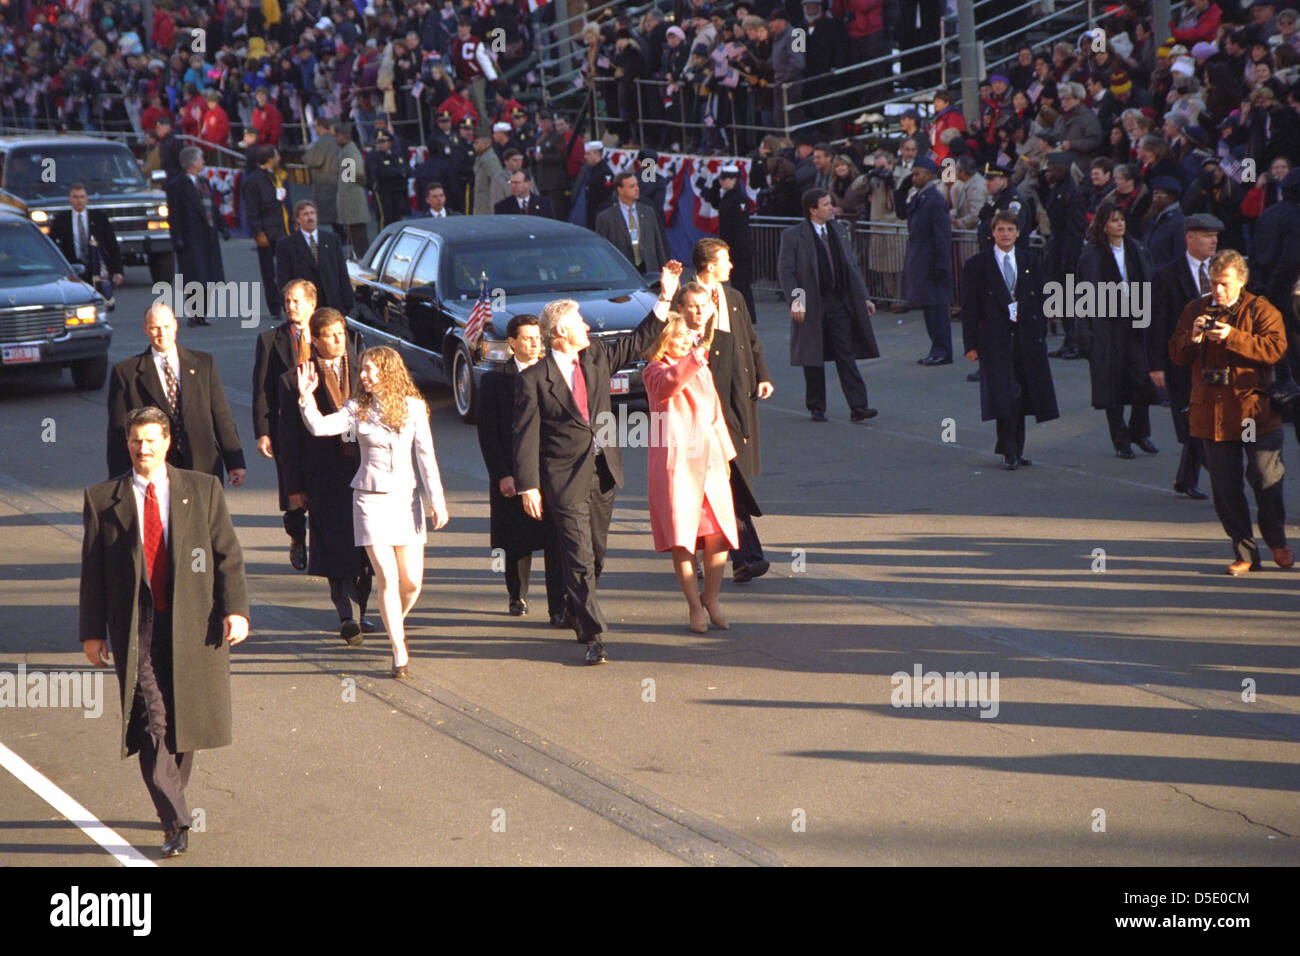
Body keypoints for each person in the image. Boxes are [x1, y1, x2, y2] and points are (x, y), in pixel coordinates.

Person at [81, 406, 249, 858]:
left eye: (152, 439)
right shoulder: (103, 500)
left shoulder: (202, 489)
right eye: (136, 440)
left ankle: (171, 803)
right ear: (128, 444)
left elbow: (226, 555)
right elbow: (92, 573)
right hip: (138, 627)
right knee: (152, 723)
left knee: (184, 722)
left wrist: (236, 610)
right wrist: (92, 633)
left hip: (193, 624)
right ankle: (175, 820)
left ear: (167, 441)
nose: (143, 448)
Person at [513, 265, 680, 665]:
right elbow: (525, 435)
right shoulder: (534, 378)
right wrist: (528, 485)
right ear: (560, 334)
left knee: (597, 553)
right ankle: (594, 635)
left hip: (603, 472)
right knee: (578, 557)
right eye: (579, 323)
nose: (587, 327)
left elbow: (640, 340)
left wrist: (665, 296)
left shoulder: (597, 357)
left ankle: (576, 607)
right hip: (562, 480)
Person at [296, 347, 449, 677]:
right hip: (368, 500)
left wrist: (437, 499)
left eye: (369, 369)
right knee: (387, 577)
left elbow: (426, 456)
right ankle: (399, 647)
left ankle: (394, 617)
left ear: (388, 371)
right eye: (362, 369)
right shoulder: (356, 408)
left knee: (411, 583)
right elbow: (321, 427)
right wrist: (306, 399)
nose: (363, 375)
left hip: (406, 500)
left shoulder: (414, 408)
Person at [1169, 249, 1291, 575]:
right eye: (1213, 283)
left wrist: (1233, 337)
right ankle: (1244, 551)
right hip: (1212, 415)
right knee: (1224, 486)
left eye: (1224, 283)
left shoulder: (1261, 309)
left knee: (1264, 477)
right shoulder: (1195, 308)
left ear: (1241, 281)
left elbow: (1275, 349)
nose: (1218, 291)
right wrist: (1193, 336)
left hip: (1252, 414)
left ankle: (1276, 537)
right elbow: (1177, 355)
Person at [277, 308, 375, 644]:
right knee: (334, 547)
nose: (338, 340)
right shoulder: (296, 379)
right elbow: (288, 440)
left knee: (366, 547)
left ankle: (363, 611)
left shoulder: (366, 373)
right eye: (330, 335)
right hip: (323, 476)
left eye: (342, 333)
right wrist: (294, 487)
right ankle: (345, 614)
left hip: (365, 471)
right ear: (315, 341)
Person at [643, 312, 738, 634]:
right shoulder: (654, 371)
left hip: (710, 460)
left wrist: (727, 455)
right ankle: (694, 606)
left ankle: (711, 597)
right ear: (662, 341)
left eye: (688, 336)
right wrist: (696, 357)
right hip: (677, 464)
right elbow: (669, 385)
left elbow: (715, 414)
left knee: (718, 534)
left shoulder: (700, 367)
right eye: (678, 336)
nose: (685, 341)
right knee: (683, 539)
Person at [686, 240, 774, 583]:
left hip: (740, 394)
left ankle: (733, 553)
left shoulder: (733, 298)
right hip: (707, 398)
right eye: (725, 260)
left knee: (732, 472)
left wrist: (763, 375)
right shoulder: (690, 300)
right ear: (709, 266)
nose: (731, 266)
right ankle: (745, 555)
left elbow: (751, 340)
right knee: (726, 475)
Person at [476, 314, 565, 623]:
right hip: (511, 474)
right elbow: (488, 434)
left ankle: (559, 606)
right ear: (512, 343)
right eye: (526, 337)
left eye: (537, 336)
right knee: (515, 540)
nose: (534, 342)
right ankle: (517, 594)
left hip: (549, 472)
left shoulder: (554, 374)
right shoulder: (494, 381)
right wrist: (503, 474)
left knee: (555, 539)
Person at [961, 210, 1061, 469]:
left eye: (1010, 229)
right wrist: (970, 344)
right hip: (995, 337)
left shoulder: (1030, 260)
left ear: (1018, 233)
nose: (1005, 234)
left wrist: (1042, 328)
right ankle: (1009, 450)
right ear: (992, 232)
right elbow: (970, 308)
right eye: (1001, 229)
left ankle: (1017, 448)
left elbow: (1041, 297)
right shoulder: (978, 265)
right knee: (1006, 393)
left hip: (1026, 336)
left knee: (1023, 393)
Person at [107, 303, 246, 486]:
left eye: (166, 327)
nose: (161, 333)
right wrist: (119, 480)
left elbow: (221, 416)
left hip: (202, 465)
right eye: (155, 328)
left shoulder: (203, 364)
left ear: (175, 325)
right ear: (145, 329)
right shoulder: (127, 373)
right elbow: (118, 432)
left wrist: (235, 462)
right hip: (155, 468)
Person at [1076, 200, 1159, 459]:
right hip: (1106, 325)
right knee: (1110, 383)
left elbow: (1151, 283)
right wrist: (1084, 334)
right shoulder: (1092, 255)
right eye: (1113, 220)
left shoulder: (1137, 248)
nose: (1119, 223)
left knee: (1143, 380)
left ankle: (1139, 431)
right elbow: (1082, 295)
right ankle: (1120, 438)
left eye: (1121, 218)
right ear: (1103, 224)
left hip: (1134, 323)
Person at [1149, 213, 1222, 500]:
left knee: (1203, 418)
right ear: (1189, 238)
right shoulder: (1166, 275)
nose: (1213, 240)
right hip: (1181, 361)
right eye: (1206, 235)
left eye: (1216, 235)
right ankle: (1221, 475)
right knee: (1193, 420)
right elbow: (1154, 324)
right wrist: (1156, 365)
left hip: (1216, 359)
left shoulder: (1222, 272)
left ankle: (1186, 478)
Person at [253, 279, 318, 571]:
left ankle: (322, 542)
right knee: (291, 487)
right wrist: (263, 431)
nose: (290, 307)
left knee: (321, 484)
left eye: (296, 301)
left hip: (322, 423)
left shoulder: (327, 334)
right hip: (287, 427)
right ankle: (296, 537)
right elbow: (262, 388)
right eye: (288, 302)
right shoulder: (270, 340)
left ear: (311, 305)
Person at [899, 158, 955, 365]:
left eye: (918, 174)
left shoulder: (935, 199)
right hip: (922, 260)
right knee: (930, 310)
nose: (914, 178)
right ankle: (936, 348)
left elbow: (942, 236)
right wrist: (900, 191)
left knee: (937, 309)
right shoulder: (922, 196)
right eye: (913, 174)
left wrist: (941, 264)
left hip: (931, 260)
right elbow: (902, 213)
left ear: (929, 175)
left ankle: (942, 350)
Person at [165, 146, 227, 327]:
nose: (203, 162)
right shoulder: (177, 185)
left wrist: (222, 226)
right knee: (194, 277)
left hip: (207, 236)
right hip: (190, 236)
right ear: (192, 162)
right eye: (201, 159)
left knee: (208, 277)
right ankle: (194, 313)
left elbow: (212, 208)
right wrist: (177, 237)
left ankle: (203, 313)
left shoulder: (203, 182)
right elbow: (174, 214)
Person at [275, 200, 355, 315]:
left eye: (312, 213)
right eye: (305, 214)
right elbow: (283, 277)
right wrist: (287, 303)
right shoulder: (286, 244)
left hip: (331, 301)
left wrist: (348, 301)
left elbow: (342, 271)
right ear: (298, 219)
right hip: (304, 302)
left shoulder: (332, 240)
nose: (310, 217)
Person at [243, 145, 290, 323]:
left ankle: (285, 301)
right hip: (266, 231)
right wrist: (258, 232)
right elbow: (252, 210)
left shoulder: (279, 176)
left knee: (285, 268)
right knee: (269, 272)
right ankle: (275, 306)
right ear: (270, 158)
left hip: (282, 228)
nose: (279, 158)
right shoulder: (253, 180)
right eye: (276, 155)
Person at [50, 183, 123, 294]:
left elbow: (112, 245)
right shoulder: (61, 219)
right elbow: (52, 244)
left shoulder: (99, 217)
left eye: (82, 197)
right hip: (72, 268)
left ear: (87, 198)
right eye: (75, 197)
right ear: (70, 199)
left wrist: (118, 271)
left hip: (96, 268)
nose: (79, 200)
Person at [594, 171, 670, 275]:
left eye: (637, 185)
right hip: (622, 273)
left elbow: (658, 244)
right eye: (631, 186)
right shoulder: (606, 217)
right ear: (620, 190)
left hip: (648, 270)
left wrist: (665, 270)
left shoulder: (648, 211)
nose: (637, 189)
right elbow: (601, 251)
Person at [302, 117, 342, 241]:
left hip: (326, 184)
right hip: (338, 183)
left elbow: (311, 160)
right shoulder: (339, 142)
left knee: (331, 218)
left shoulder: (322, 142)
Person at [335, 123, 371, 255]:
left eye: (337, 136)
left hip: (353, 202)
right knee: (356, 237)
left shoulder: (349, 152)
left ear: (345, 137)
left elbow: (356, 175)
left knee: (359, 239)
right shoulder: (347, 151)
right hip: (351, 201)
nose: (336, 139)